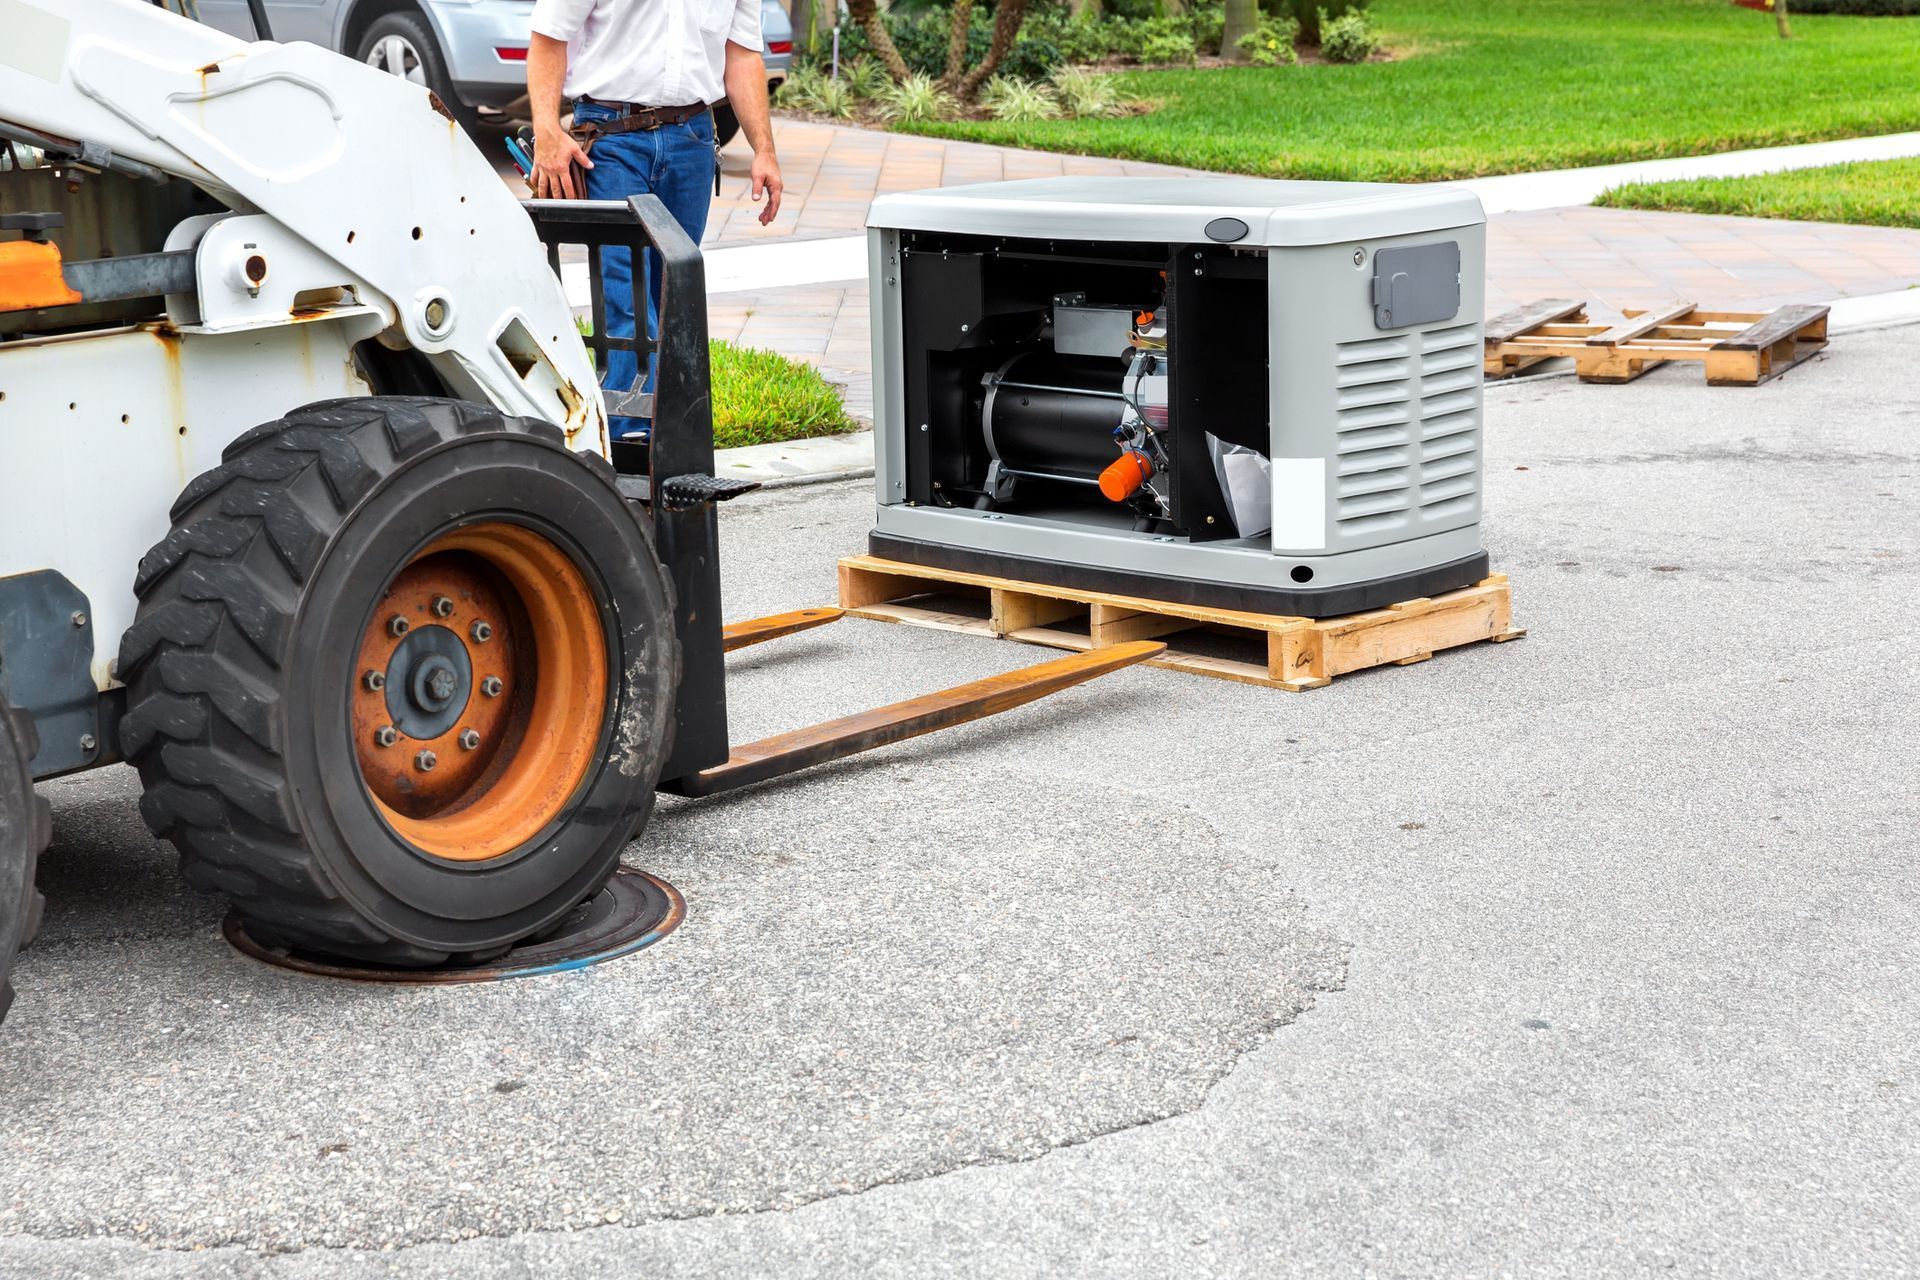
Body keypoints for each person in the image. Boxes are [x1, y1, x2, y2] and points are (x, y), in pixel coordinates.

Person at [526, 0, 784, 439]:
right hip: (609, 138)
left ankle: (671, 435)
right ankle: (632, 437)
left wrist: (765, 149)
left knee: (673, 291)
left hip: (692, 139)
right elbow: (549, 37)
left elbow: (741, 55)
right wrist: (548, 132)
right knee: (624, 292)